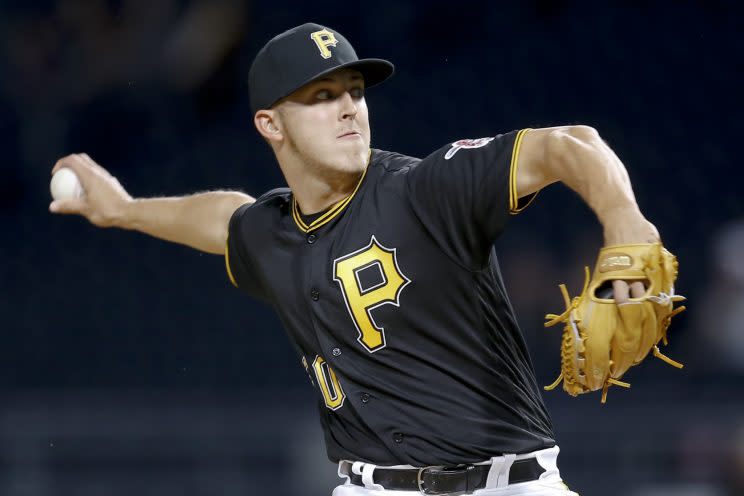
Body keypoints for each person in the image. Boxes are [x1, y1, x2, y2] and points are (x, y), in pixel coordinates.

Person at [50, 23, 662, 496]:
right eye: (321, 96)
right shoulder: (271, 233)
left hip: (512, 483)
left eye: (354, 91)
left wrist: (624, 219)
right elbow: (220, 217)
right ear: (270, 124)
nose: (347, 107)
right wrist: (125, 209)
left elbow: (568, 144)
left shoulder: (425, 190)